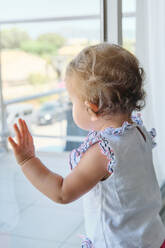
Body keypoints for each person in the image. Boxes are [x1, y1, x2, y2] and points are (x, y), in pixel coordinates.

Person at [8, 43, 165, 248]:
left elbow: (62, 192)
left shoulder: (103, 152)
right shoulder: (138, 131)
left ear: (91, 109)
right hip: (151, 237)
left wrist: (28, 160)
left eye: (72, 101)